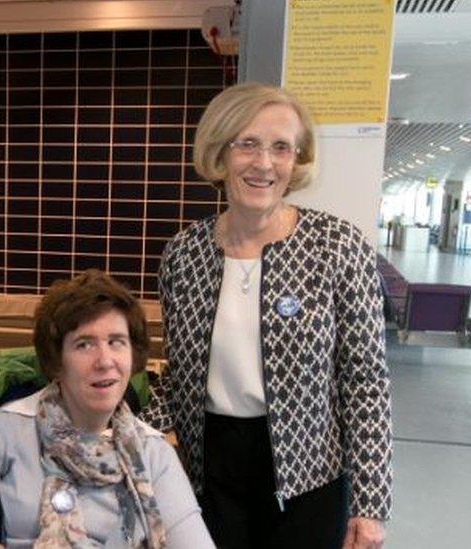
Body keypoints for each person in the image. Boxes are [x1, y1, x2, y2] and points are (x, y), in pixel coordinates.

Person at [141, 83, 392, 549]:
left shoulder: (336, 247)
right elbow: (178, 377)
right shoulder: (184, 254)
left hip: (310, 477)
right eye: (248, 144)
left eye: (281, 147)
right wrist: (125, 441)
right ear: (220, 153)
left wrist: (371, 503)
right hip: (210, 473)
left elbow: (365, 380)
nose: (264, 163)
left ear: (297, 159)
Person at [0, 270, 215, 548]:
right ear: (56, 360)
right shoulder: (3, 431)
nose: (104, 360)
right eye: (84, 345)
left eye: (116, 342)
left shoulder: (153, 452)